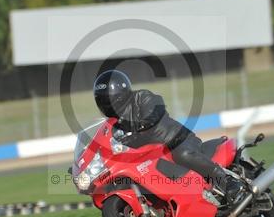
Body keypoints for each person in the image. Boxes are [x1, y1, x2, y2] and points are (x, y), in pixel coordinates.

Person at [93, 69, 242, 200]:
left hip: (176, 141)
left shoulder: (142, 97)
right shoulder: (113, 124)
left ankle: (227, 181)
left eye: (109, 100)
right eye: (103, 101)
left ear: (120, 96)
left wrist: (143, 124)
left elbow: (156, 109)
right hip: (153, 156)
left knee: (183, 154)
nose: (107, 105)